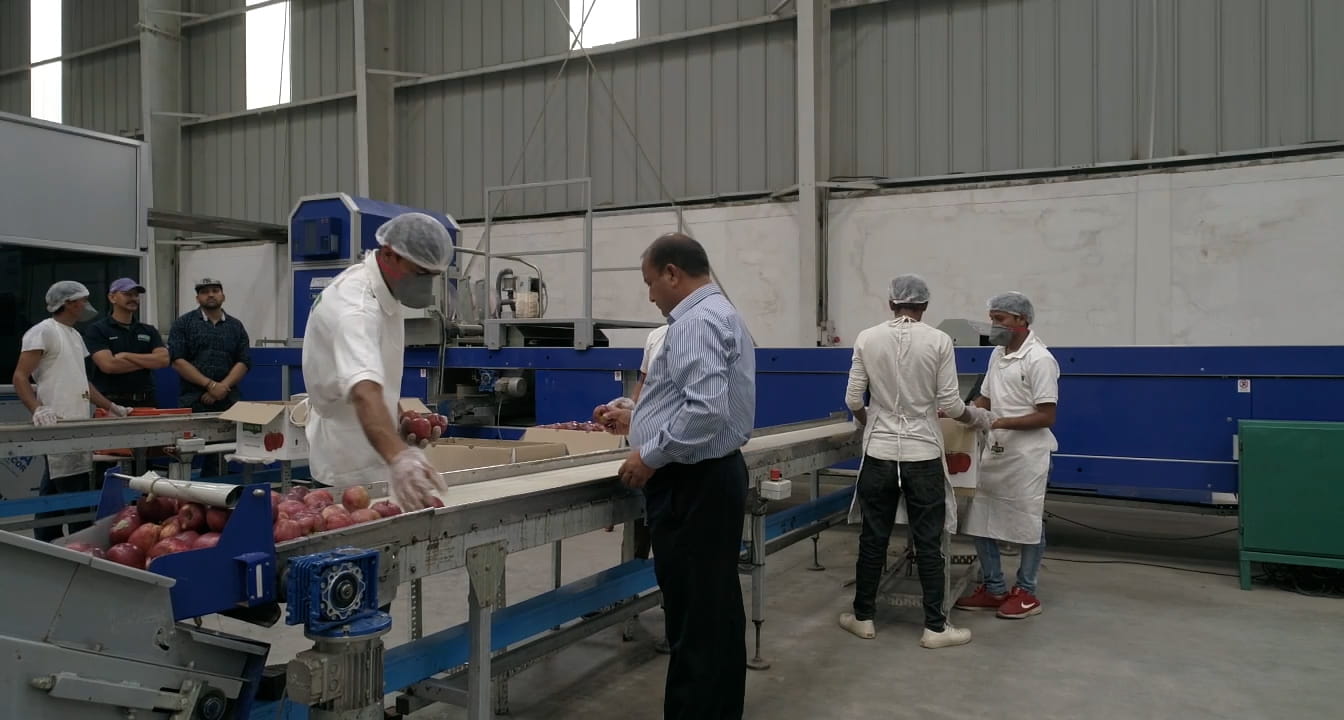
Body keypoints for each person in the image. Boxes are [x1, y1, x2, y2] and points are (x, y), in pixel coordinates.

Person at [620, 232, 755, 720]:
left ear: (673, 273)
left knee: (693, 616)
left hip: (691, 483)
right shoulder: (723, 314)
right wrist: (637, 415)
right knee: (714, 609)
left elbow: (705, 411)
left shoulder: (694, 322)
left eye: (650, 283)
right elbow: (691, 399)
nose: (650, 295)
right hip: (711, 477)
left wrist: (650, 456)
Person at [837, 274, 992, 649]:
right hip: (922, 454)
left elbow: (854, 399)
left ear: (891, 303)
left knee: (873, 538)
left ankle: (863, 618)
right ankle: (935, 628)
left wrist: (872, 422)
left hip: (880, 453)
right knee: (929, 541)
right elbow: (951, 405)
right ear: (924, 305)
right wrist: (977, 418)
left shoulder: (867, 338)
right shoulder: (939, 341)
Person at [301, 213, 453, 510]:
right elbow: (363, 390)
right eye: (420, 273)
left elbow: (375, 373)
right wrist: (400, 457)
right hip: (348, 467)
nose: (425, 284)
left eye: (432, 276)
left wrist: (399, 419)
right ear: (388, 254)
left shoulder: (384, 289)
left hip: (377, 457)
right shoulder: (356, 308)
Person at [955, 291, 1059, 619]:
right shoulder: (998, 355)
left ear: (1021, 320)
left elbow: (1047, 415)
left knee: (1027, 521)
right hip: (996, 453)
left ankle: (1026, 592)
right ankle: (994, 587)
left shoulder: (1039, 359)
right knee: (980, 519)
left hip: (1027, 457)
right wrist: (962, 412)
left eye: (999, 319)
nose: (993, 325)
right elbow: (985, 399)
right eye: (992, 319)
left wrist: (999, 422)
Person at [13, 282, 129, 541]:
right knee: (74, 491)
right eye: (82, 300)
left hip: (77, 422)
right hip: (56, 422)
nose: (86, 305)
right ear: (68, 303)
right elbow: (20, 377)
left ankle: (46, 541)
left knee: (55, 488)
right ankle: (81, 544)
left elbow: (81, 382)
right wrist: (37, 409)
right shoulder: (43, 331)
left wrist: (111, 407)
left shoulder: (75, 336)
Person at [168, 278, 252, 476]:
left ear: (223, 296)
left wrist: (221, 388)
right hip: (191, 401)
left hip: (227, 401)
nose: (211, 295)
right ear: (197, 298)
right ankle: (181, 492)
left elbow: (244, 361)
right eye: (205, 292)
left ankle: (218, 491)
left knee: (221, 456)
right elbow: (177, 360)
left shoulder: (236, 326)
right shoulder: (184, 324)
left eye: (215, 290)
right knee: (184, 453)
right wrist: (210, 385)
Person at [84, 277, 168, 408]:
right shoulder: (98, 330)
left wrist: (127, 356)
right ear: (112, 298)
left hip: (146, 401)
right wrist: (148, 362)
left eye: (136, 295)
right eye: (127, 294)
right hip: (112, 403)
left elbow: (163, 360)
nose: (133, 298)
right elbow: (109, 365)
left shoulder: (148, 330)